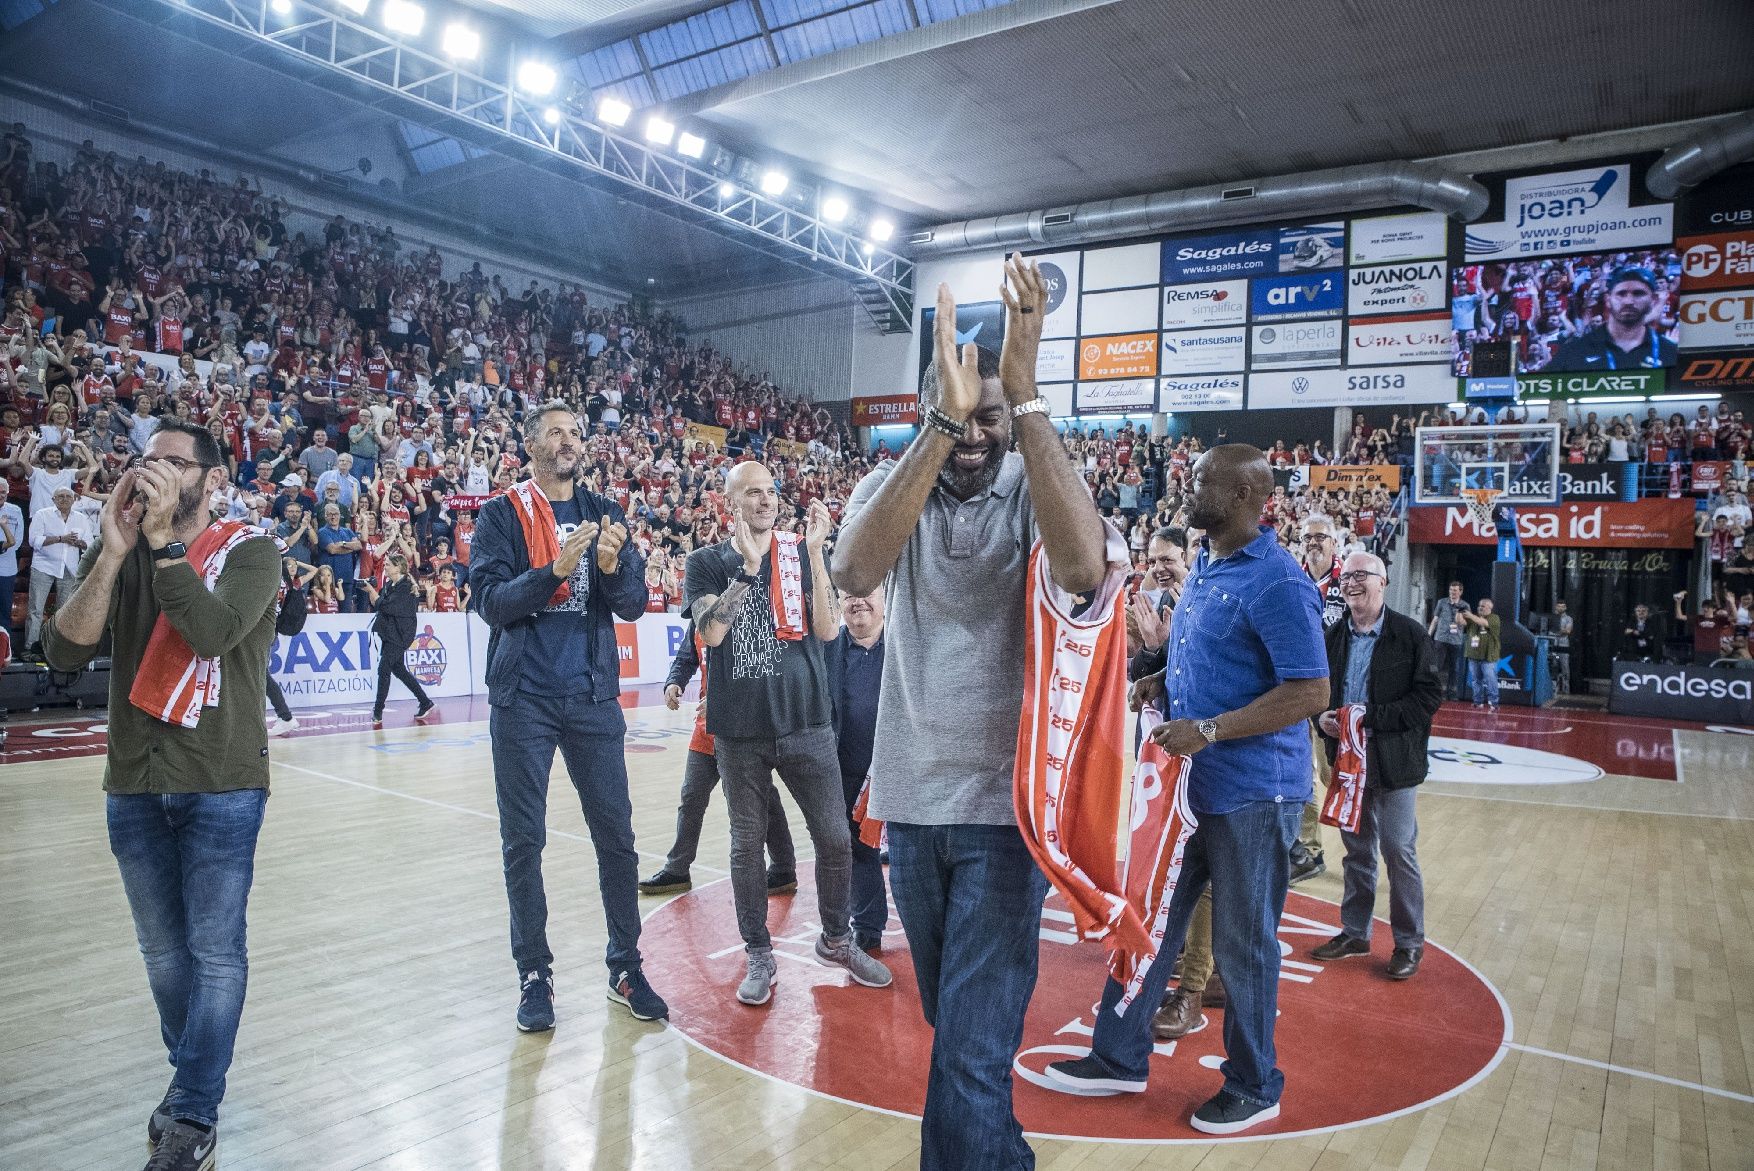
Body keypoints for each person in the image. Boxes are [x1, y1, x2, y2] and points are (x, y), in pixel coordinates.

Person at [832, 259, 1109, 1168]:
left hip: (1003, 816)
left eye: (990, 416)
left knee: (972, 1056)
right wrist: (940, 428)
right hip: (912, 810)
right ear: (932, 409)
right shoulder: (897, 480)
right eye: (966, 415)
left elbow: (1081, 570)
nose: (979, 434)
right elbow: (853, 573)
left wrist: (1025, 403)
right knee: (962, 1037)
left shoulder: (1032, 482)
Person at [1042, 443, 1328, 1138]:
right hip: (1192, 787)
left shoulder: (1280, 581)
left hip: (1254, 792)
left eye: (1203, 481)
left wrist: (1210, 727)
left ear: (1244, 496)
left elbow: (1311, 689)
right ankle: (1118, 1054)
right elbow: (1208, 656)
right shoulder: (1203, 561)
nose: (1187, 485)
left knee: (1244, 943)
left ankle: (1256, 1084)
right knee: (1151, 919)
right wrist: (1162, 681)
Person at [43, 419, 280, 1171]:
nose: (152, 471)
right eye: (148, 457)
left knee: (214, 953)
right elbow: (63, 649)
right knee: (162, 955)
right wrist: (113, 555)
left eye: (173, 462)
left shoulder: (251, 551)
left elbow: (210, 632)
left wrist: (161, 549)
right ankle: (194, 1082)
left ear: (210, 480)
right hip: (135, 780)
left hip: (222, 781)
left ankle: (192, 1107)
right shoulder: (119, 543)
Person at [470, 401, 667, 1029]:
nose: (569, 440)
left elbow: (634, 604)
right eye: (555, 432)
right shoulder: (502, 515)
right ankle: (535, 976)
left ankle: (626, 966)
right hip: (523, 697)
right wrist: (551, 572)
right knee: (523, 843)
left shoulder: (608, 515)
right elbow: (491, 603)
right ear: (531, 445)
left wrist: (608, 569)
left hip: (590, 696)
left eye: (576, 432)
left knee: (618, 839)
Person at [683, 462, 891, 1005]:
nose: (766, 501)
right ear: (730, 503)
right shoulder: (705, 562)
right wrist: (748, 573)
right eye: (753, 493)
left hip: (806, 722)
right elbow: (711, 633)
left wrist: (820, 558)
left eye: (772, 492)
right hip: (739, 733)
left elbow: (826, 629)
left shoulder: (799, 553)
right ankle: (758, 951)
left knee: (835, 838)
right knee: (747, 847)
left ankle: (837, 939)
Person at [1310, 551, 1442, 981]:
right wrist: (1323, 717)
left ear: (1382, 582)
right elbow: (1319, 693)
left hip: (1394, 764)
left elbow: (1427, 698)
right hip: (1348, 764)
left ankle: (1408, 943)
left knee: (1398, 850)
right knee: (1357, 852)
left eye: (1360, 576)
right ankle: (1355, 932)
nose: (1350, 583)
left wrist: (1372, 718)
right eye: (1344, 577)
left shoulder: (1410, 635)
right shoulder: (1332, 637)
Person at [638, 619, 798, 897]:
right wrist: (674, 681)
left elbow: (764, 672)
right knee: (691, 797)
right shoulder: (700, 614)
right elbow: (687, 656)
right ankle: (677, 869)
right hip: (706, 730)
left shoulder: (749, 614)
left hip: (743, 729)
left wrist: (725, 702)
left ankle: (784, 868)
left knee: (764, 799)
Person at [826, 582, 888, 952]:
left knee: (919, 851)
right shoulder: (827, 648)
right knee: (858, 848)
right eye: (849, 596)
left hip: (902, 768)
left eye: (867, 593)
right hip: (847, 768)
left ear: (884, 598)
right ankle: (868, 926)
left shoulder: (905, 643)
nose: (858, 602)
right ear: (839, 603)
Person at [1290, 513, 1343, 885]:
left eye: (1321, 536)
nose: (1314, 542)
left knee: (1334, 775)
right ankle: (1310, 850)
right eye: (1308, 536)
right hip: (1294, 690)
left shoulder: (1350, 580)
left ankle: (1360, 846)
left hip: (1335, 696)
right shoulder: (1291, 579)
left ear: (1334, 544)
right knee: (1301, 774)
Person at [1548, 268, 1678, 372]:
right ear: (1608, 300)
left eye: (1638, 294)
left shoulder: (1669, 351)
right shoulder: (1574, 351)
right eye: (1621, 294)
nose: (1628, 301)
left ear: (1653, 300)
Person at [359, 553, 434, 725]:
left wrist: (371, 590)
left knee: (383, 669)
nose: (385, 567)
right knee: (398, 669)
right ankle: (425, 702)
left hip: (400, 634)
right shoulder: (389, 585)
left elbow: (386, 606)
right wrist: (371, 591)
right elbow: (377, 605)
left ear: (398, 567)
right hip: (389, 632)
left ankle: (377, 712)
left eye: (388, 565)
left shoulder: (405, 587)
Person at [26, 485, 96, 653]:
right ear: (53, 499)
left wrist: (79, 543)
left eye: (68, 496)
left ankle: (56, 649)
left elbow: (90, 544)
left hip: (69, 569)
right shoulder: (42, 515)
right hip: (44, 567)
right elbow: (34, 541)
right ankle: (30, 648)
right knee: (36, 609)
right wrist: (60, 539)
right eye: (61, 496)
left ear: (74, 499)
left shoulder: (80, 518)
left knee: (63, 612)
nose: (65, 499)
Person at [1427, 581, 1471, 700]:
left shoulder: (1465, 605)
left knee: (1454, 667)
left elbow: (1465, 623)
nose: (1453, 593)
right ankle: (1434, 691)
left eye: (1455, 590)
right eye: (1451, 590)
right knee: (1437, 666)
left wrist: (1458, 614)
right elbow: (1435, 620)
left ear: (1460, 592)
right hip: (1441, 637)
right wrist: (1428, 635)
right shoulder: (1441, 602)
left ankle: (1451, 693)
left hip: (1455, 640)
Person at [1460, 597, 1501, 710]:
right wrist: (1458, 611)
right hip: (1473, 656)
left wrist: (1470, 615)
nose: (1480, 608)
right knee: (1476, 680)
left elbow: (1482, 622)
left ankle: (1494, 703)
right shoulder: (1473, 619)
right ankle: (1478, 702)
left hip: (1488, 657)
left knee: (1490, 679)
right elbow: (1460, 622)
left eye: (1483, 606)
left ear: (1490, 608)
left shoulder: (1494, 618)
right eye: (1479, 605)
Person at [0, 494, 22, 640]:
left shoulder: (15, 510)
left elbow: (14, 542)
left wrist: (3, 525)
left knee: (4, 610)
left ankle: (4, 648)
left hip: (7, 568)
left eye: (2, 491)